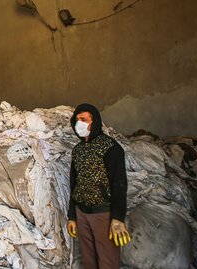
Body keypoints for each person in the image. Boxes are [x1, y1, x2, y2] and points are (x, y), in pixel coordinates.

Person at [66, 103, 130, 269]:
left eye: (83, 119)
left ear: (94, 122)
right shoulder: (77, 150)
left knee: (107, 261)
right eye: (76, 120)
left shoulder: (111, 148)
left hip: (103, 214)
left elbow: (119, 184)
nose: (78, 123)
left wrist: (118, 218)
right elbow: (74, 184)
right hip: (82, 213)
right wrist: (72, 216)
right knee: (88, 261)